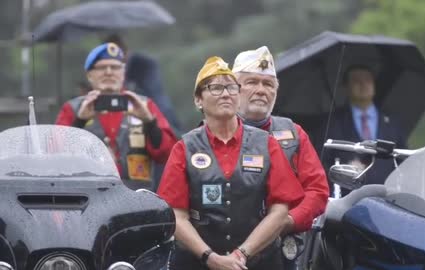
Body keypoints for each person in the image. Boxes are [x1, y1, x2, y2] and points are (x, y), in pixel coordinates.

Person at [157, 56, 304, 270]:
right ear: (199, 99)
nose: (225, 93)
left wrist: (242, 253)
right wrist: (210, 257)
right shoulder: (185, 147)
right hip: (197, 263)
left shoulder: (267, 144)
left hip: (259, 262)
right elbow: (176, 216)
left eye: (231, 87)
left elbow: (280, 210)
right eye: (215, 88)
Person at [232, 46, 330, 268]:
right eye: (251, 82)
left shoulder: (294, 133)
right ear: (233, 89)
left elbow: (317, 190)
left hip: (280, 251)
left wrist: (287, 221)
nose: (261, 90)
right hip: (225, 249)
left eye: (268, 84)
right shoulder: (214, 132)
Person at [56, 43, 177, 190]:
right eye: (101, 67)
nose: (109, 72)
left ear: (123, 72)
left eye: (115, 67)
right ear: (89, 75)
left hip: (137, 202)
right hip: (88, 199)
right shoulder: (73, 109)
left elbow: (167, 155)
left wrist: (150, 122)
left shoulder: (144, 105)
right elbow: (57, 158)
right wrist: (79, 121)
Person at [322, 64, 407, 194]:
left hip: (388, 196)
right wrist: (344, 172)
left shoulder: (392, 121)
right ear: (346, 86)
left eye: (367, 79)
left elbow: (403, 160)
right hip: (348, 198)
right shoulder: (333, 122)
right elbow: (323, 161)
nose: (363, 84)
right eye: (356, 80)